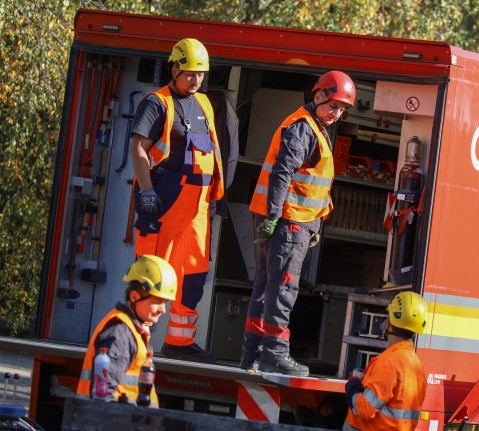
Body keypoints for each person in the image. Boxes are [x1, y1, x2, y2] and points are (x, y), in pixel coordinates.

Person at [240, 70, 356, 376]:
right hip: (289, 222)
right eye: (333, 105)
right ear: (317, 96)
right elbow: (282, 174)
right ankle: (275, 354)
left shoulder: (308, 125)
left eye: (342, 109)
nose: (336, 113)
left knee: (265, 289)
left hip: (291, 221)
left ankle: (252, 356)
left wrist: (312, 225)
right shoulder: (305, 129)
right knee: (283, 290)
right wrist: (275, 216)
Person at [130, 38, 224, 362]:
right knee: (152, 274)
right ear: (174, 69)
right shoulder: (157, 102)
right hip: (166, 200)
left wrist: (214, 196)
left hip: (198, 206)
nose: (196, 80)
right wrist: (146, 191)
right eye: (189, 74)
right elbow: (139, 148)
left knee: (193, 275)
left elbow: (211, 151)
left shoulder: (206, 105)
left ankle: (180, 343)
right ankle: (134, 339)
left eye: (201, 74)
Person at [76, 255, 178, 407]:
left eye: (166, 303)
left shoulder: (132, 330)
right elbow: (103, 399)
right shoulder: (120, 333)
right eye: (157, 302)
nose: (163, 310)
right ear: (134, 297)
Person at [343, 291, 428, 431]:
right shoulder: (417, 365)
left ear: (388, 323)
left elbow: (363, 409)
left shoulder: (390, 362)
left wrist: (353, 383)